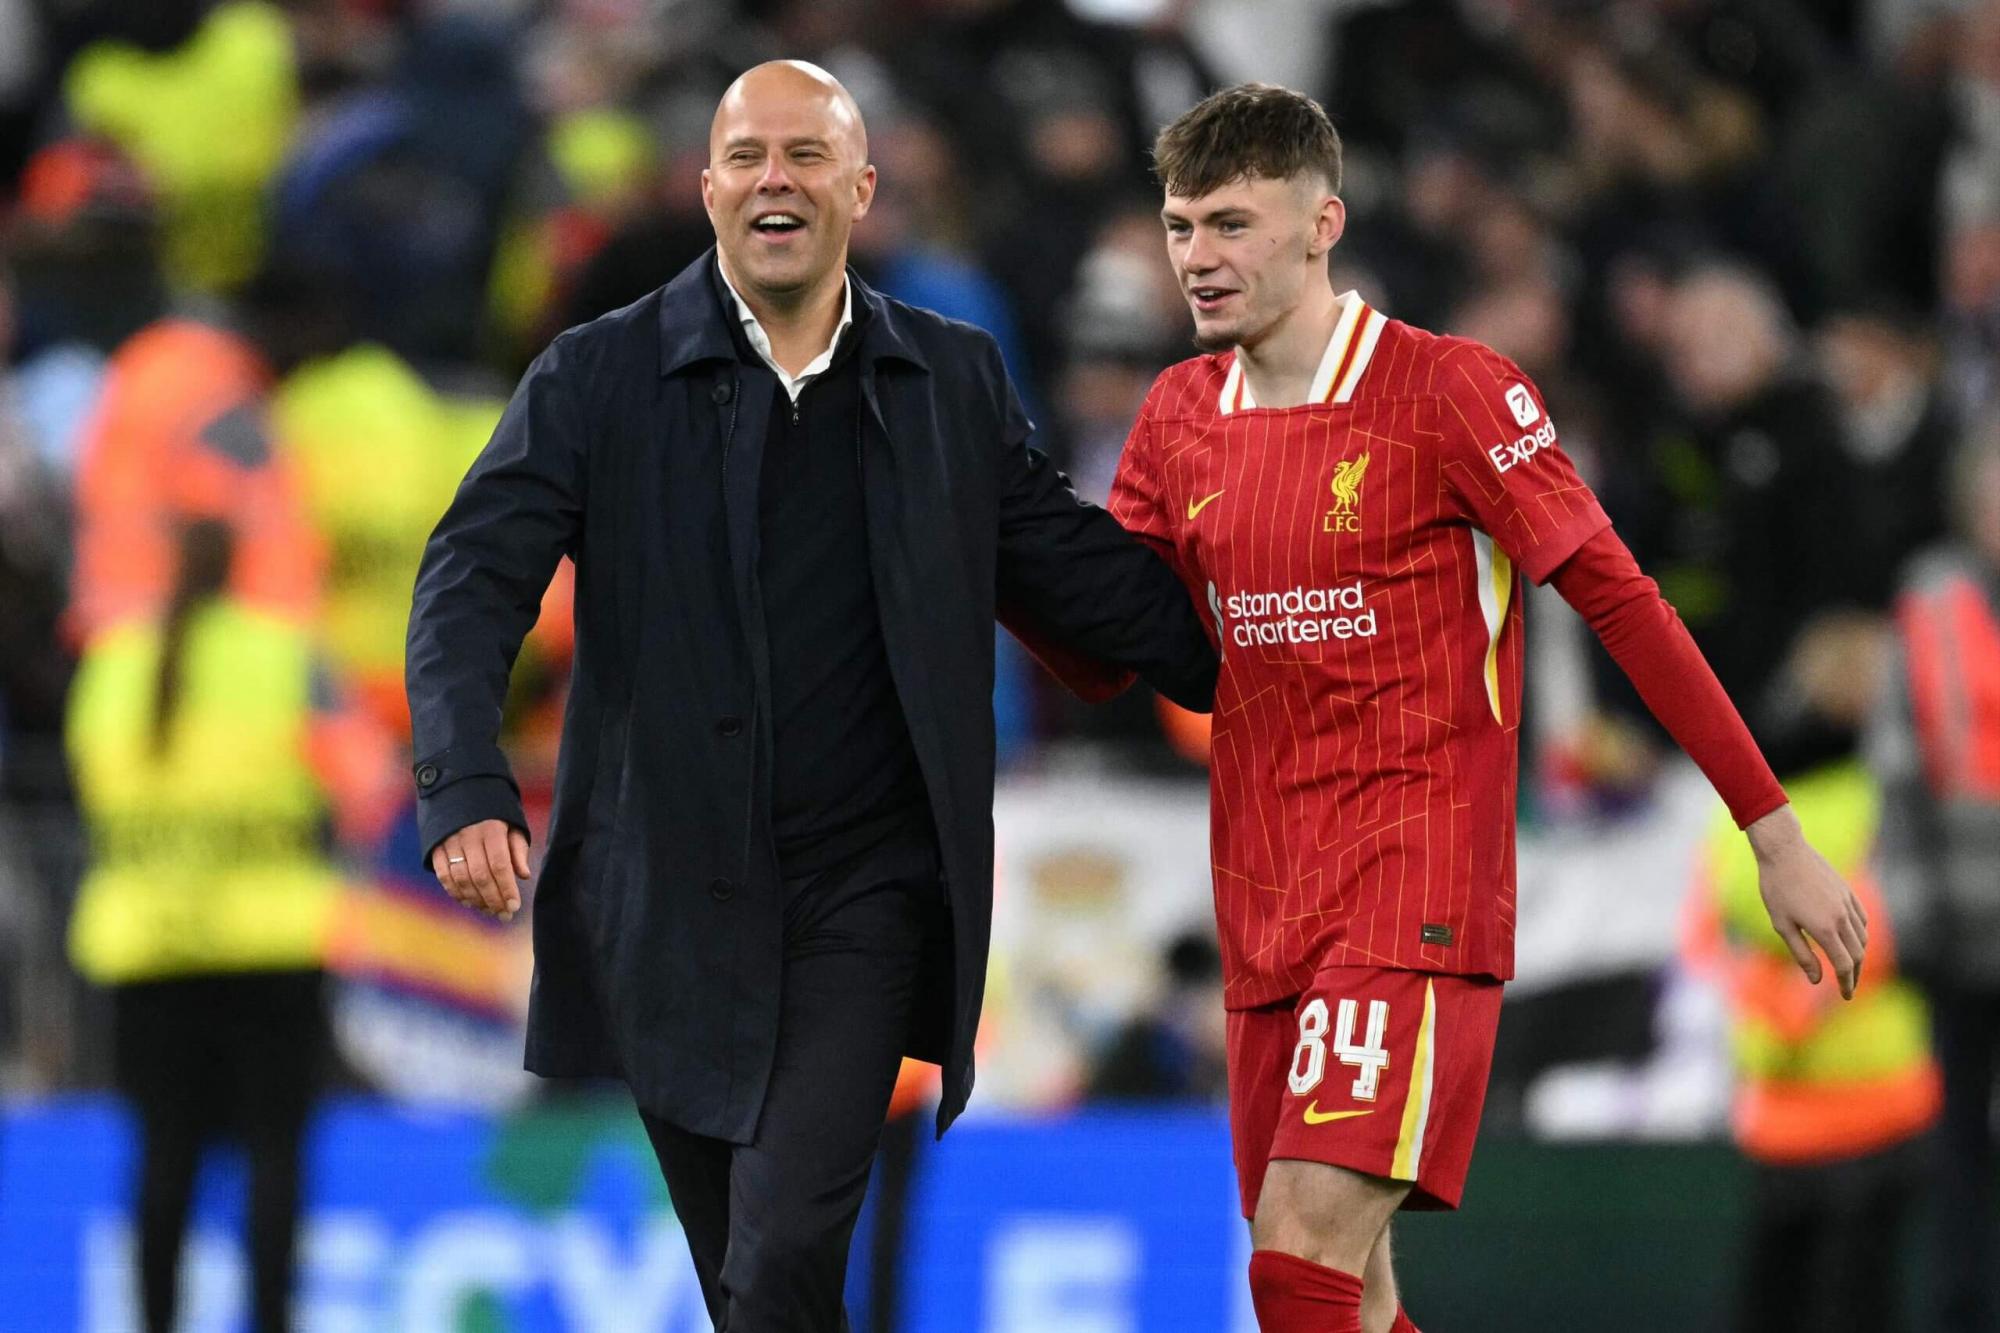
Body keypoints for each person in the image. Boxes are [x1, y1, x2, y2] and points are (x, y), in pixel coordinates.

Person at [404, 60, 1216, 1331]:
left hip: (861, 897)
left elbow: (1073, 576)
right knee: (755, 1287)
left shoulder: (949, 379)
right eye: (746, 157)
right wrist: (461, 777)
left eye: (805, 155)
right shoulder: (594, 376)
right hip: (662, 903)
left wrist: (1286, 640)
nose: (773, 179)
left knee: (780, 1257)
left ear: (862, 187)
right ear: (711, 187)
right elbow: (469, 578)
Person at [1101, 84, 1867, 1333]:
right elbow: (1105, 648)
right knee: (1344, 1295)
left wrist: (1768, 829)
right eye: (1181, 226)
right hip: (1263, 897)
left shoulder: (1448, 392)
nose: (1198, 257)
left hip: (1410, 888)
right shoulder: (1178, 417)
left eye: (1232, 224)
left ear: (1321, 223)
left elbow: (1620, 600)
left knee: (1295, 1264)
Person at [67, 515, 390, 1333]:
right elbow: (372, 782)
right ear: (245, 565)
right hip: (271, 948)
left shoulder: (112, 663)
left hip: (148, 950)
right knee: (275, 1158)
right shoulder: (284, 654)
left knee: (162, 1162)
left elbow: (88, 786)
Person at [1870, 415, 2000, 1333]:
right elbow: (1898, 769)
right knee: (1957, 1148)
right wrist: (1914, 921)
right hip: (1961, 929)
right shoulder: (1930, 598)